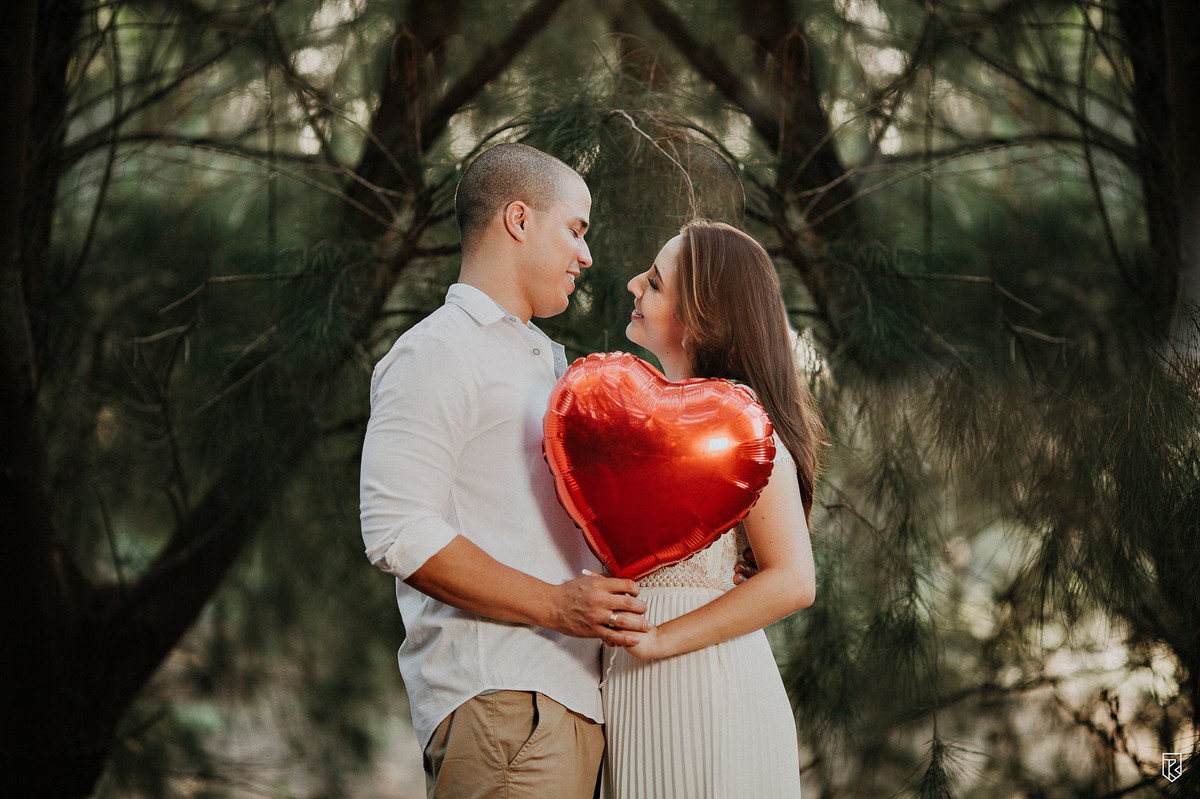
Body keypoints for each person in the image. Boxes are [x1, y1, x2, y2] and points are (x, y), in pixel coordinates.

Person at [359, 142, 652, 799]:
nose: (588, 255)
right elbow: (396, 529)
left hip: (577, 704)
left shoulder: (544, 362)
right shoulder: (436, 350)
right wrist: (554, 603)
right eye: (575, 230)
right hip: (506, 705)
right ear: (519, 220)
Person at [602, 219, 822, 797]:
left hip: (703, 687)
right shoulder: (636, 423)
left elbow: (794, 580)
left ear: (699, 317)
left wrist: (658, 641)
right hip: (631, 689)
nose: (632, 285)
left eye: (653, 282)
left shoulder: (741, 426)